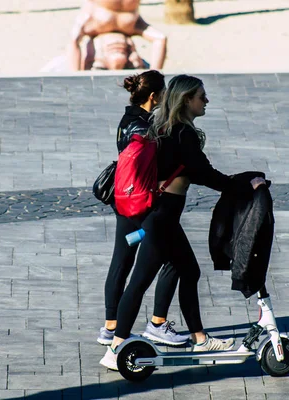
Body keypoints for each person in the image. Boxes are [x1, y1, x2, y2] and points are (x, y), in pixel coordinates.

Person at [100, 74, 266, 370]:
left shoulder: (163, 128)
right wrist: (244, 183)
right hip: (160, 218)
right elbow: (205, 174)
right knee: (140, 280)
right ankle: (116, 347)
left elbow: (200, 172)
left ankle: (199, 339)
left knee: (188, 270)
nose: (206, 101)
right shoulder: (181, 133)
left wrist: (239, 181)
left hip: (160, 216)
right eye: (202, 96)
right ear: (187, 100)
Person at [98, 70, 190, 350]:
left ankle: (110, 326)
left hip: (123, 201)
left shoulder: (127, 120)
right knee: (173, 259)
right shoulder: (148, 127)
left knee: (122, 259)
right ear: (154, 96)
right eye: (163, 94)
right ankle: (158, 324)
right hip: (144, 206)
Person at [67, 0, 167, 71]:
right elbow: (74, 40)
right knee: (74, 37)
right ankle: (75, 77)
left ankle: (154, 77)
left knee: (161, 38)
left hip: (129, 21)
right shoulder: (90, 21)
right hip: (98, 19)